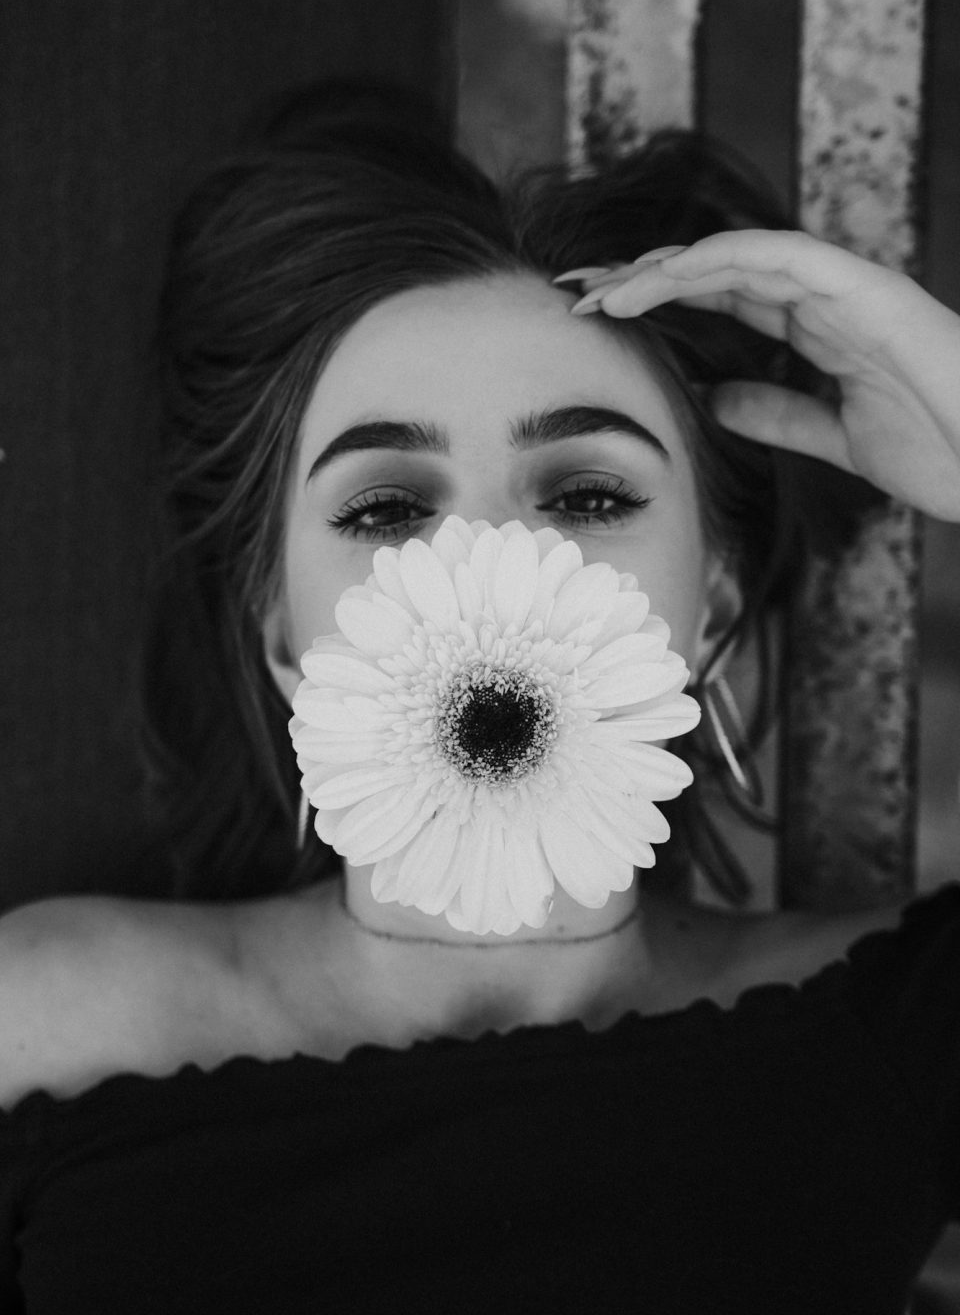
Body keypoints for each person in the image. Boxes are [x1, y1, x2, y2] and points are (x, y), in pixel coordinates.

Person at [1, 79, 959, 1314]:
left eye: (589, 496)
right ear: (285, 634)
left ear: (711, 609)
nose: (489, 561)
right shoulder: (50, 1022)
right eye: (389, 509)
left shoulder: (890, 1034)